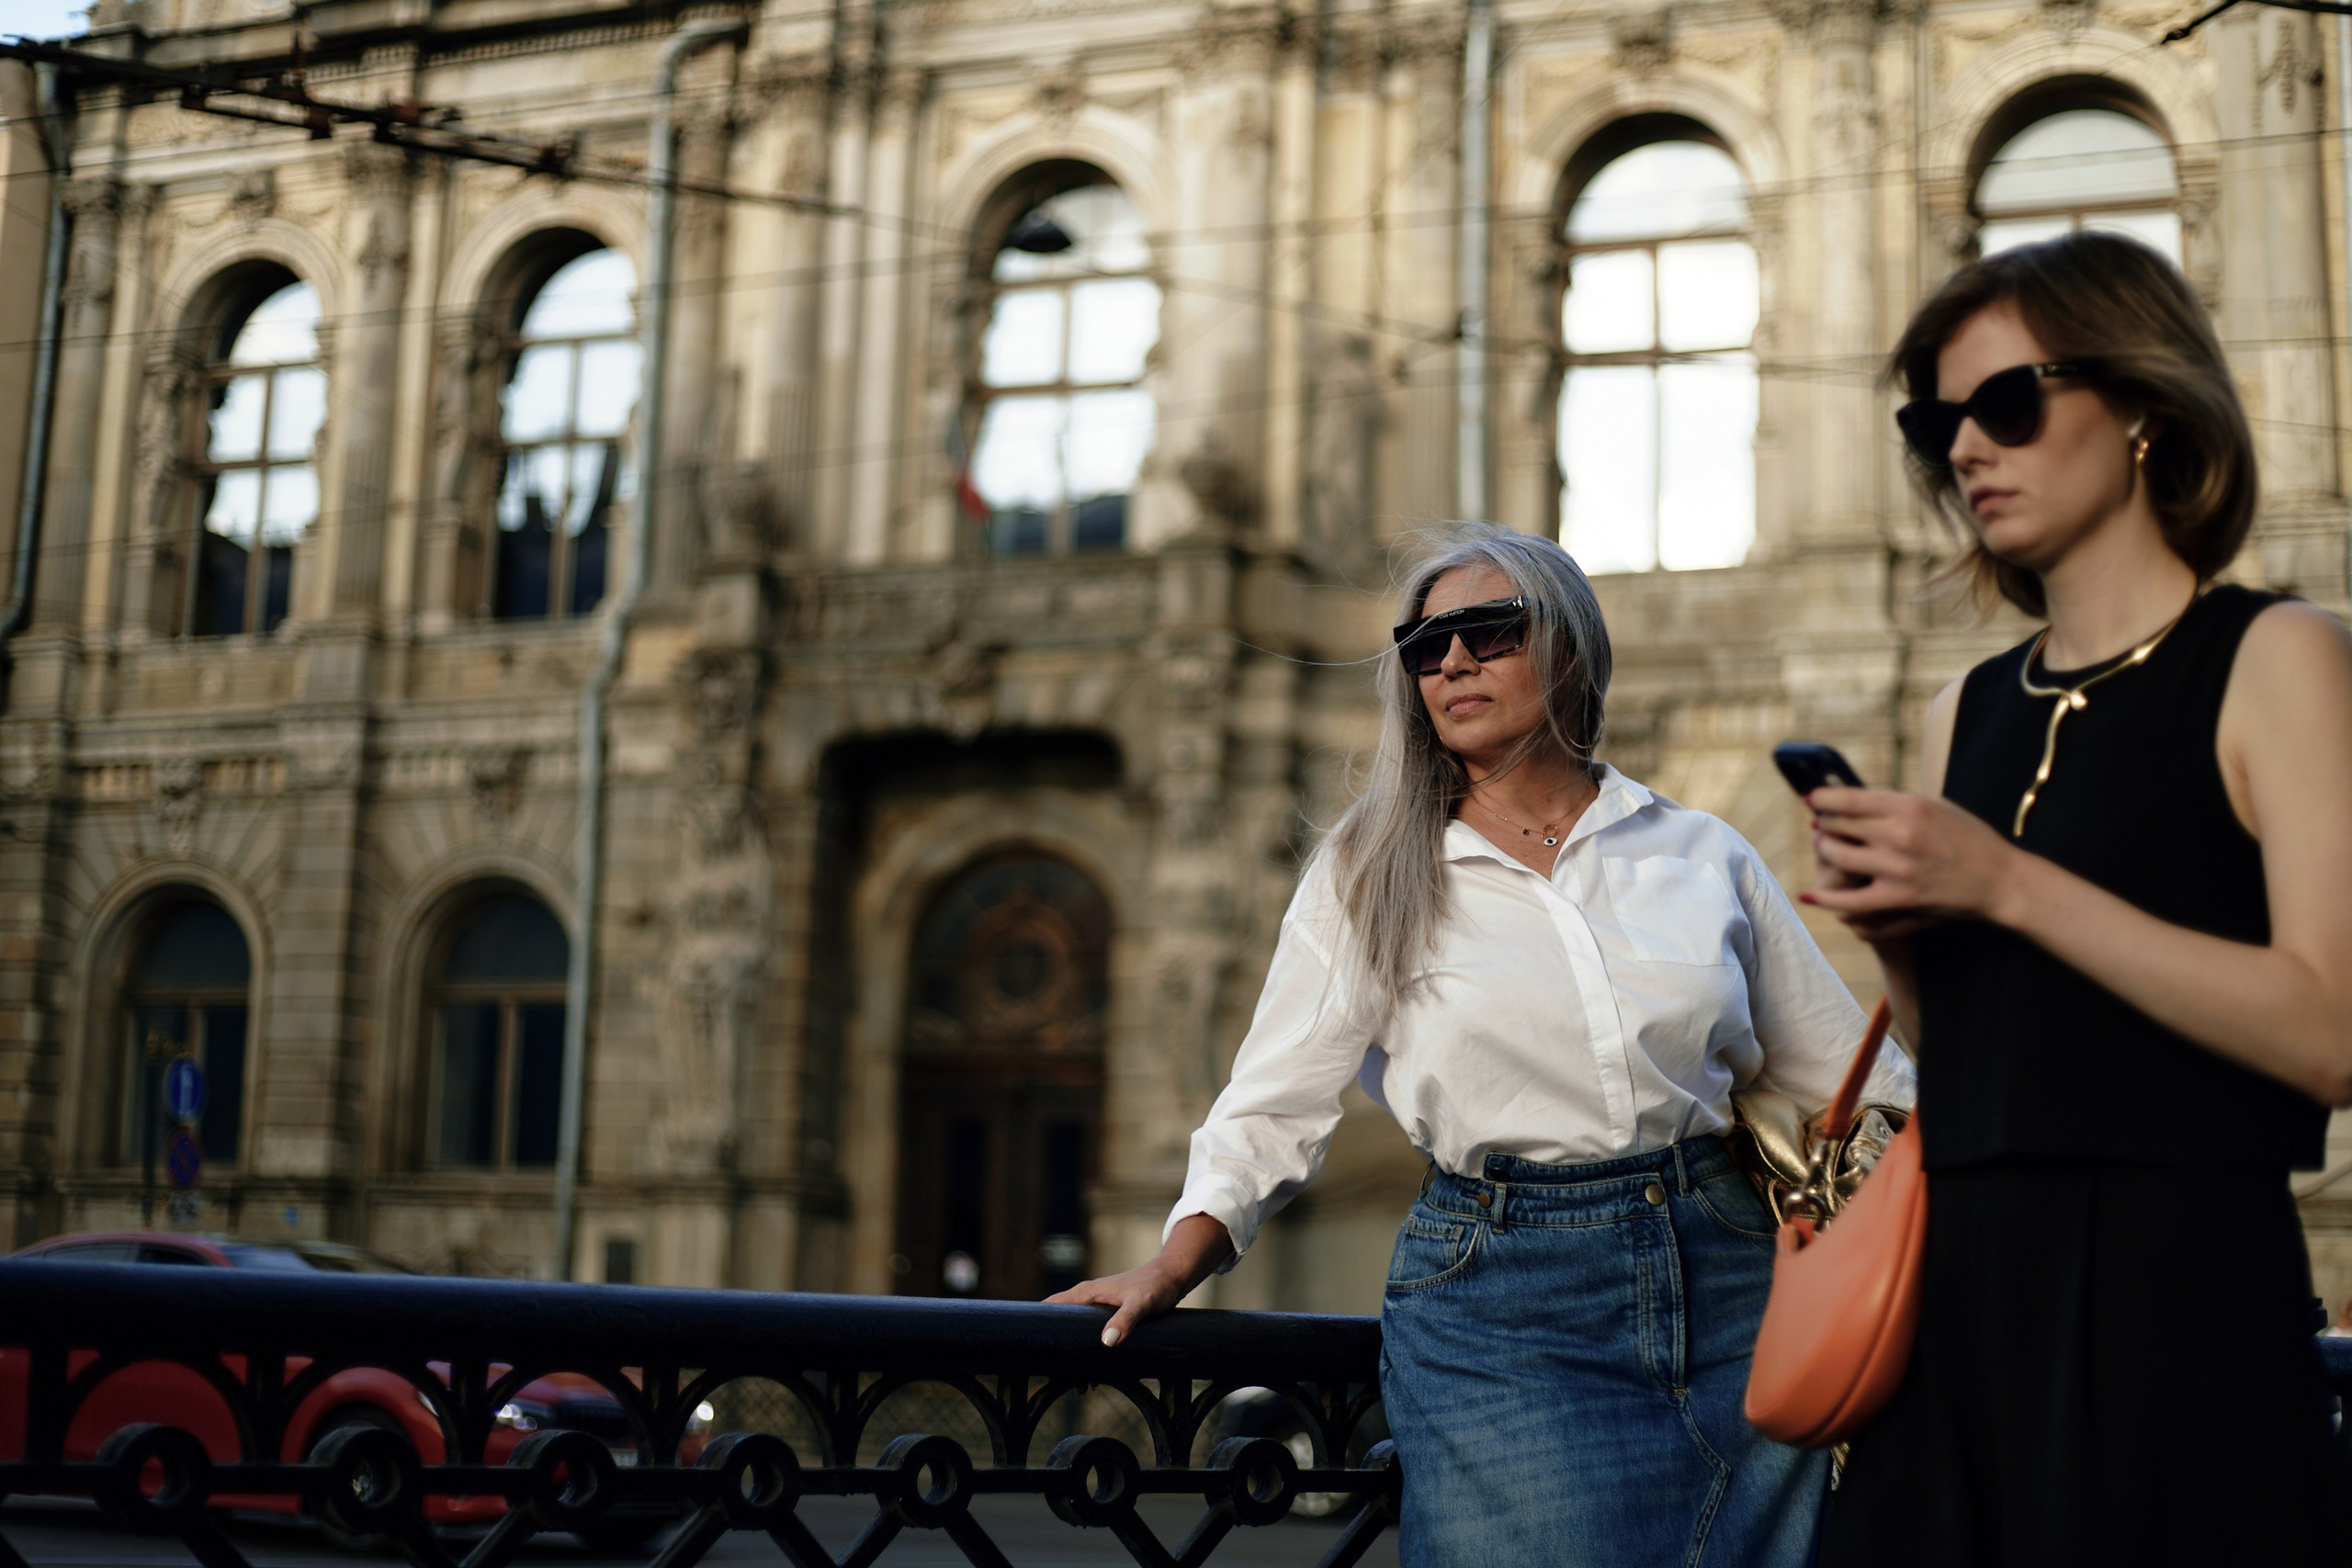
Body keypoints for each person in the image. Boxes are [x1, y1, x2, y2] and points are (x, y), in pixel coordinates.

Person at [1049, 523, 1912, 1567]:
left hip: (1733, 1283)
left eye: (1488, 631)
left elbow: (1848, 1077)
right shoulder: (1369, 869)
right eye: (1424, 645)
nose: (1451, 660)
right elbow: (1273, 1103)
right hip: (1504, 1303)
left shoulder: (1695, 850)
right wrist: (1174, 1261)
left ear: (1570, 650)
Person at [1804, 231, 2352, 1564]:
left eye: (2009, 404)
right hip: (1959, 1302)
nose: (1969, 451)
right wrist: (1909, 931)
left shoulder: (2277, 655)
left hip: (2178, 1301)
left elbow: (2334, 1032)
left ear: (2147, 404)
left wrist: (2004, 882)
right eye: (1940, 425)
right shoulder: (1965, 707)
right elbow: (1967, 1056)